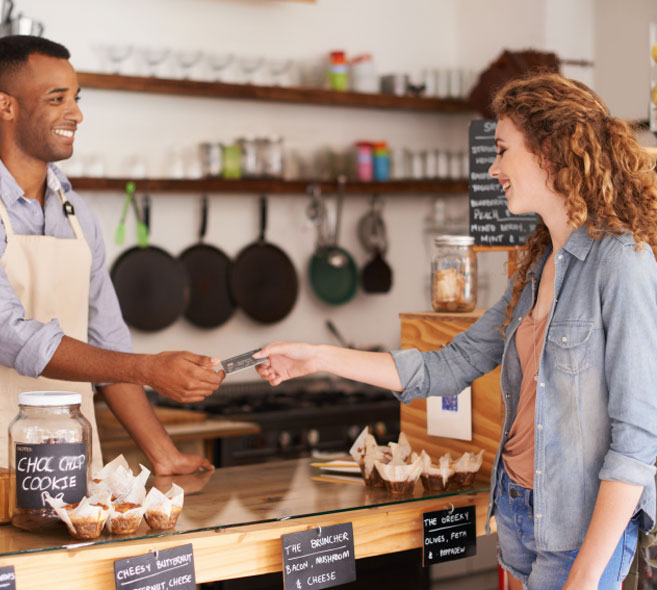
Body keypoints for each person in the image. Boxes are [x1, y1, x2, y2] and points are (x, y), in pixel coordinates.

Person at [254, 72, 657, 590]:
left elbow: (637, 442)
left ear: (550, 152)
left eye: (503, 150)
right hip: (516, 514)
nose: (492, 168)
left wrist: (586, 573)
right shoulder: (537, 268)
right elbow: (444, 366)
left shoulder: (623, 263)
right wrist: (317, 356)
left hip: (578, 532)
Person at [0, 35, 224, 475]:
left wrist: (164, 454)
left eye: (76, 97)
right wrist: (149, 369)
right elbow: (11, 337)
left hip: (73, 457)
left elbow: (108, 342)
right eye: (57, 99)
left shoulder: (77, 214)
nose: (77, 113)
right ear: (5, 107)